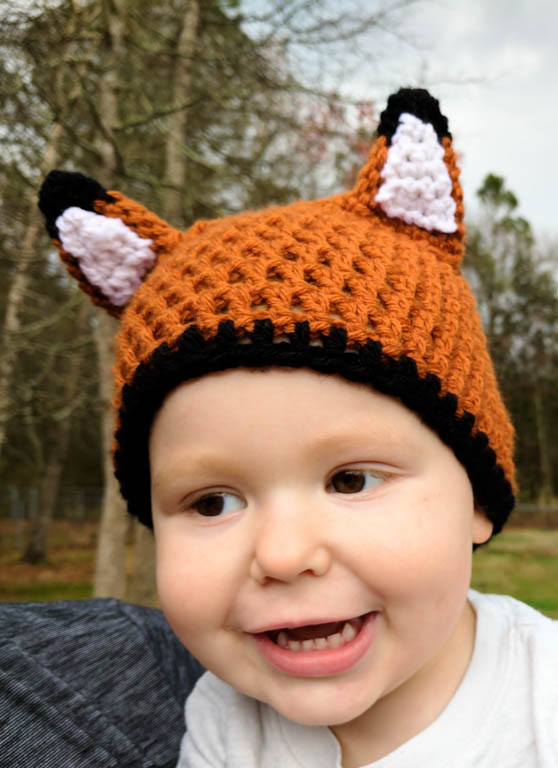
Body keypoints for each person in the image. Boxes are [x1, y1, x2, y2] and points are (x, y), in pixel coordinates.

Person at [38, 88, 558, 767]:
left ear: (480, 500)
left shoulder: (542, 697)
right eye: (212, 502)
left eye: (350, 479)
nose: (283, 555)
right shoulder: (227, 725)